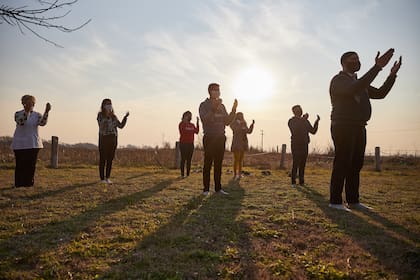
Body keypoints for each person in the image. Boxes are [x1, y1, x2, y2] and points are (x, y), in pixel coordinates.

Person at [329, 49, 402, 211]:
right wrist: (377, 67)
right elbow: (352, 89)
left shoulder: (361, 84)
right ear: (343, 63)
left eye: (358, 59)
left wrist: (391, 76)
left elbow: (381, 93)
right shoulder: (338, 80)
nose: (356, 61)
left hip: (359, 126)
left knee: (356, 164)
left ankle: (353, 201)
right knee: (343, 162)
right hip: (342, 125)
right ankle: (335, 201)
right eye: (353, 59)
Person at [199, 83, 237, 195]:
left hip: (220, 137)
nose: (217, 92)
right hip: (210, 137)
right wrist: (214, 108)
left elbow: (227, 122)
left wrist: (233, 110)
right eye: (215, 90)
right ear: (210, 91)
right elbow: (205, 120)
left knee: (218, 164)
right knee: (208, 163)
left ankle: (218, 189)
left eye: (218, 90)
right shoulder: (204, 105)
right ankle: (206, 189)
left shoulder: (222, 106)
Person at [11, 95, 51, 187]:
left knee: (31, 165)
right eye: (28, 102)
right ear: (23, 103)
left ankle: (28, 184)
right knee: (20, 165)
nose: (31, 104)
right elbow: (21, 122)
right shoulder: (18, 113)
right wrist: (27, 111)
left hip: (33, 144)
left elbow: (42, 123)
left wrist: (46, 111)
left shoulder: (37, 115)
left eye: (32, 102)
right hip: (19, 144)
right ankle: (19, 184)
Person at [97, 98, 129, 184]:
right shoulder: (100, 115)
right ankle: (102, 179)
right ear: (103, 106)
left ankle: (107, 178)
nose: (109, 105)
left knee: (110, 159)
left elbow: (120, 126)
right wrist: (107, 115)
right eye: (107, 104)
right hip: (103, 139)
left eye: (110, 104)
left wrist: (125, 118)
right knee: (103, 159)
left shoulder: (114, 117)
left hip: (113, 139)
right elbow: (102, 125)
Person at [288, 105, 319, 187]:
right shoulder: (291, 121)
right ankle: (293, 182)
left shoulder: (305, 121)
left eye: (300, 109)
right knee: (296, 162)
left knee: (303, 164)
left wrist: (316, 122)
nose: (300, 111)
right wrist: (303, 119)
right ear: (294, 112)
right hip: (295, 144)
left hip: (305, 144)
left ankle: (301, 181)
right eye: (298, 110)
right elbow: (296, 130)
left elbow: (313, 131)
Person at [230, 112, 254, 180]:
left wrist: (251, 126)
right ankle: (235, 174)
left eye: (242, 116)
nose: (241, 117)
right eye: (239, 116)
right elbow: (235, 130)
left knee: (241, 160)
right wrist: (240, 125)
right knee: (236, 159)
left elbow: (248, 131)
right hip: (236, 143)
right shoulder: (233, 123)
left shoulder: (244, 123)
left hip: (243, 143)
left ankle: (240, 174)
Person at [178, 111, 199, 178]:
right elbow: (182, 131)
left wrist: (197, 123)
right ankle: (182, 174)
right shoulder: (181, 124)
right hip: (183, 144)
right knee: (183, 158)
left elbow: (197, 131)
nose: (188, 117)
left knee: (189, 159)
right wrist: (184, 121)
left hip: (190, 144)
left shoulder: (192, 125)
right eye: (187, 115)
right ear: (184, 116)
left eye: (189, 116)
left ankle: (188, 174)